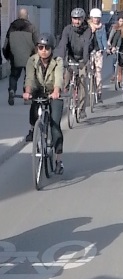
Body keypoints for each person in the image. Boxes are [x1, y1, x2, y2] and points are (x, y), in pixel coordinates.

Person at [23, 33, 65, 175]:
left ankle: (59, 160)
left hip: (54, 92)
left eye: (47, 47)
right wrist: (27, 92)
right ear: (37, 48)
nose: (44, 50)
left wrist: (57, 91)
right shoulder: (32, 60)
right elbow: (29, 78)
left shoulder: (58, 61)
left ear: (52, 49)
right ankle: (33, 130)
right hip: (39, 90)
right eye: (41, 47)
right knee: (34, 107)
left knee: (55, 126)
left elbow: (59, 78)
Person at [54, 8, 92, 118]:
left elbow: (86, 46)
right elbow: (63, 44)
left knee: (82, 82)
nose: (76, 21)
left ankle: (81, 109)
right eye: (74, 19)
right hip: (71, 57)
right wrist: (61, 58)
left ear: (83, 19)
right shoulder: (67, 29)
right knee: (65, 78)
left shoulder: (87, 30)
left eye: (79, 19)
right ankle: (65, 98)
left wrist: (84, 61)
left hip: (82, 58)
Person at [2, 8, 38, 106]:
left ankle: (12, 91)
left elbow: (6, 44)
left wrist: (7, 55)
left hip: (15, 57)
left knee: (14, 76)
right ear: (27, 16)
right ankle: (27, 96)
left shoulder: (12, 26)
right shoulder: (31, 27)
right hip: (29, 57)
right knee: (28, 76)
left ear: (18, 16)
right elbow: (37, 43)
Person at [88, 8, 108, 103]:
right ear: (91, 17)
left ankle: (99, 92)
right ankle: (90, 86)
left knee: (98, 71)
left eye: (98, 18)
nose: (96, 19)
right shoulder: (87, 27)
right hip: (88, 51)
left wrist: (105, 48)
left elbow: (104, 38)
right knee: (89, 70)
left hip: (98, 51)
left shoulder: (102, 27)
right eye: (94, 18)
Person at [107, 13, 123, 82]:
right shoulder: (115, 28)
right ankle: (113, 75)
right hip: (115, 45)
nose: (121, 23)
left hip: (122, 46)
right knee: (115, 60)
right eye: (120, 21)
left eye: (122, 21)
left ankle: (121, 74)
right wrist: (109, 42)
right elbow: (111, 36)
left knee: (122, 60)